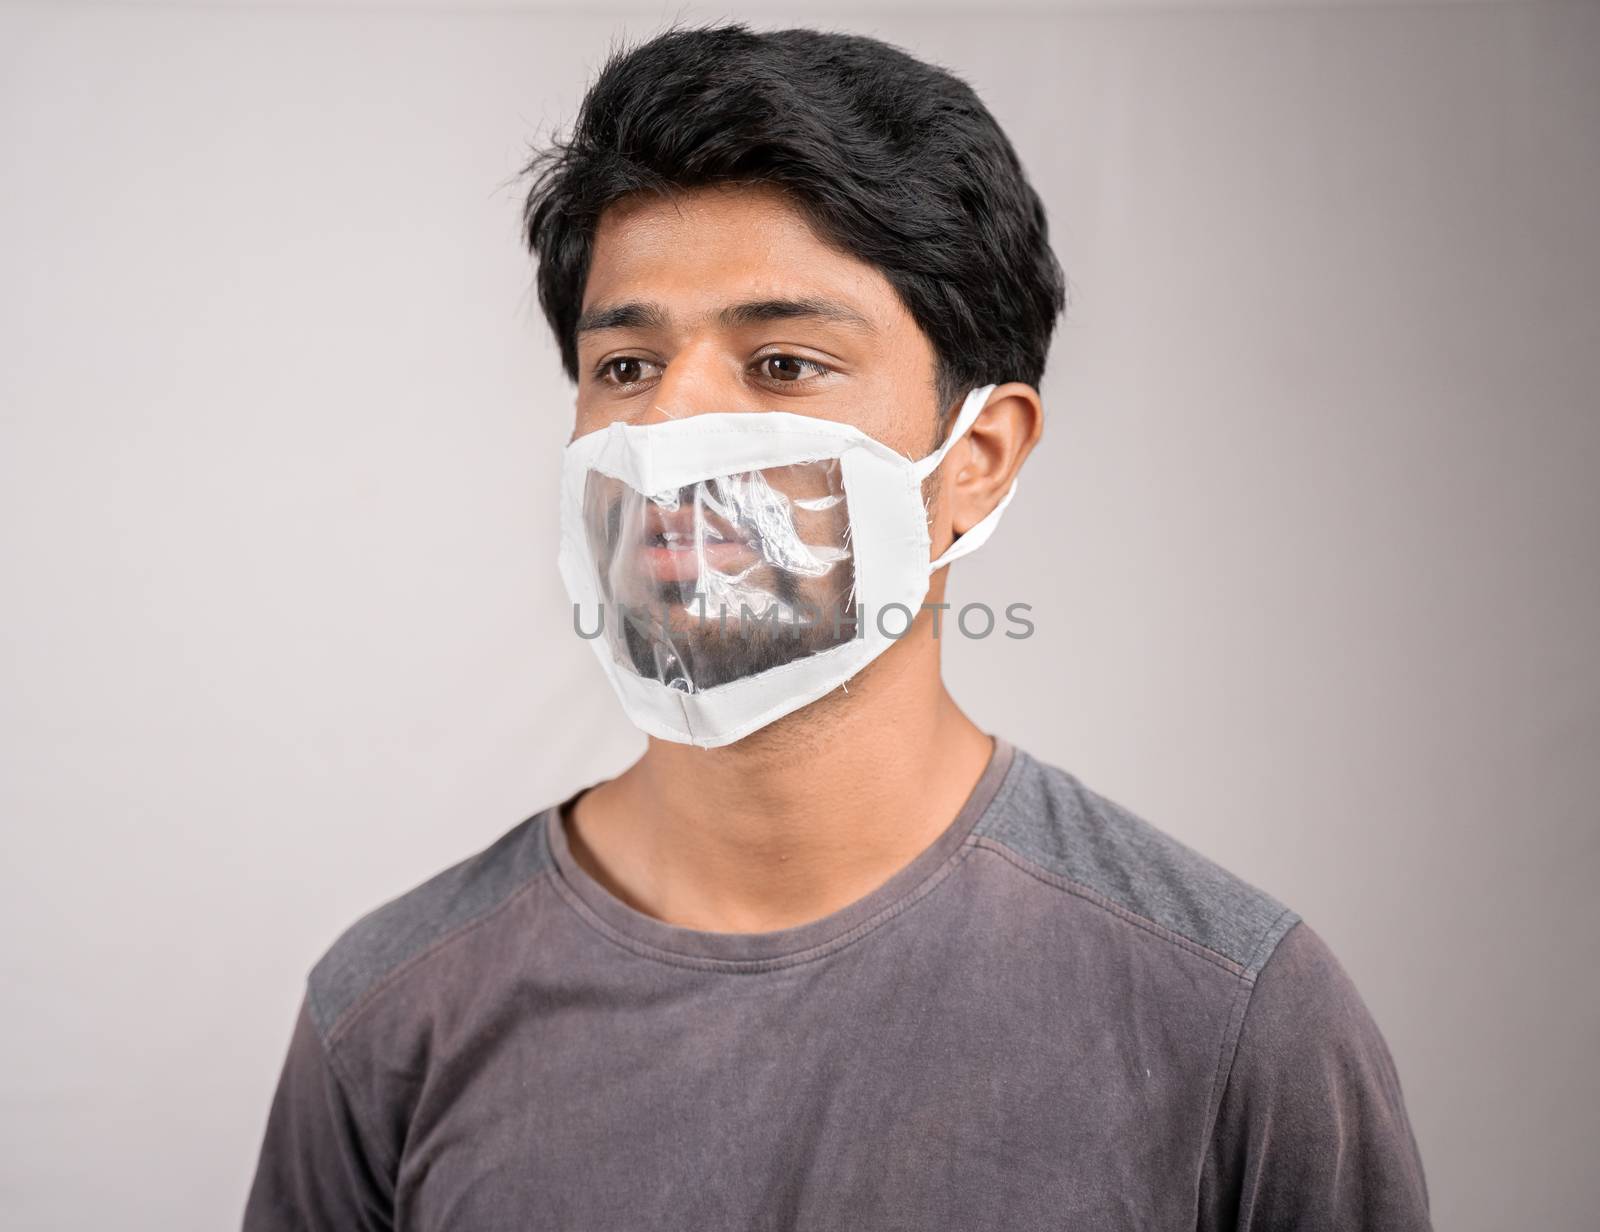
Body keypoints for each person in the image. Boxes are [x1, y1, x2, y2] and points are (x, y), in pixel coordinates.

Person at [244, 23, 1431, 1231]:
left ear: (976, 456)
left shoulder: (1227, 1013)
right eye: (623, 365)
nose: (667, 433)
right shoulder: (393, 1015)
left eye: (784, 362)